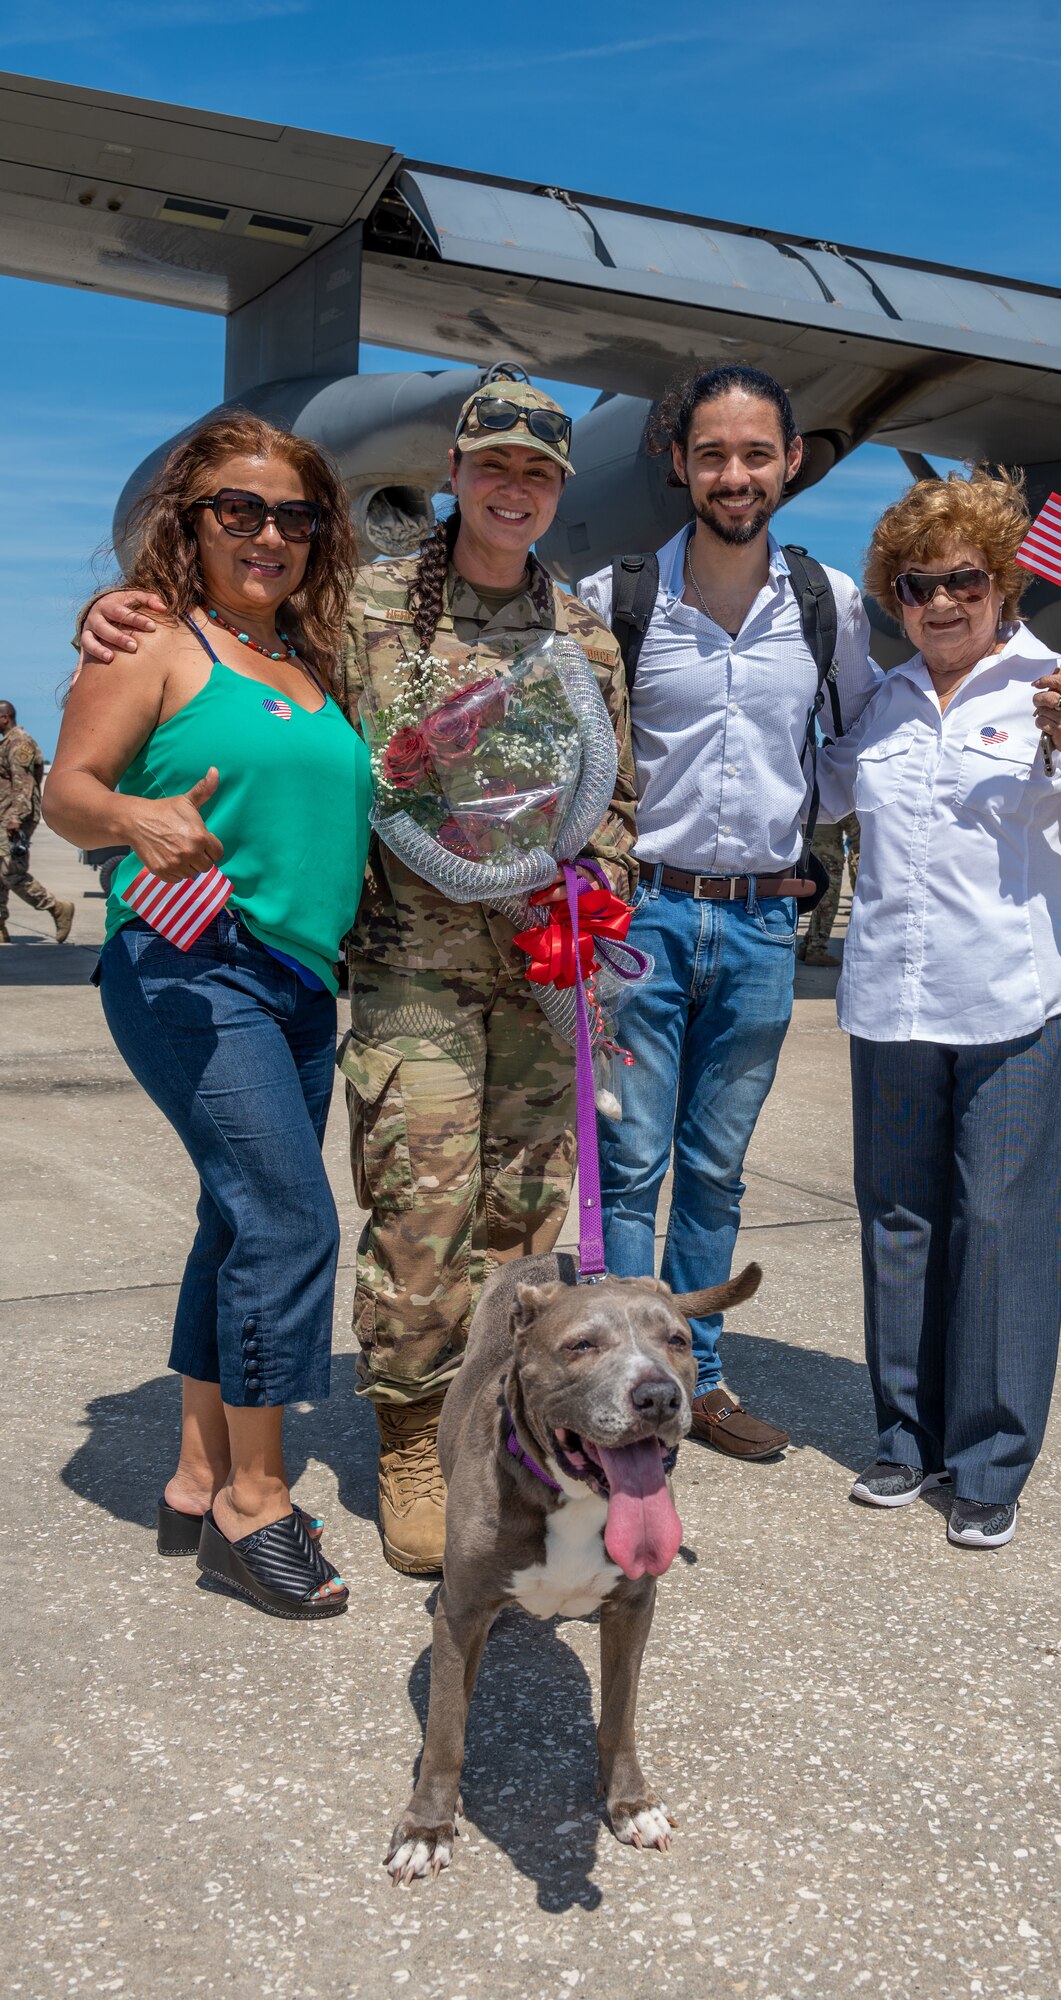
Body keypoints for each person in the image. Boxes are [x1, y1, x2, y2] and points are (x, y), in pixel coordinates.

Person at [76, 369, 636, 1580]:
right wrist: (118, 611)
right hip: (407, 973)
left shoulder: (582, 631)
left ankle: (503, 1425)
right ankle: (410, 1442)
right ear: (453, 474)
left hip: (540, 974)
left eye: (537, 472)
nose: (512, 488)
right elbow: (226, 633)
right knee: (419, 1218)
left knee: (524, 1219)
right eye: (491, 465)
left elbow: (611, 800)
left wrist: (594, 900)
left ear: (557, 491)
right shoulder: (361, 606)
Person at [46, 412, 369, 1618]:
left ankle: (192, 1475)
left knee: (236, 1222)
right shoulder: (154, 641)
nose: (267, 532)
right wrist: (134, 820)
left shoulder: (311, 656)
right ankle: (256, 1500)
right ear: (191, 521)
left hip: (295, 980)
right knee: (288, 1223)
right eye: (237, 508)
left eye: (294, 514)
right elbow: (75, 791)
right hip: (190, 965)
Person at [817, 467, 1061, 1549]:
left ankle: (987, 1458)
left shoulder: (1054, 686)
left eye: (962, 579)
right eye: (915, 584)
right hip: (890, 1004)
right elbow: (813, 795)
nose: (939, 601)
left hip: (1014, 1004)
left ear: (1002, 582)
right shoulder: (879, 699)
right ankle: (902, 1437)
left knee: (1002, 1229)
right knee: (899, 1222)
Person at [579, 364, 879, 1461]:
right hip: (641, 917)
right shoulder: (619, 599)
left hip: (758, 927)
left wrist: (804, 831)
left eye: (756, 453)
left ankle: (699, 1381)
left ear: (789, 462)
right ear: (678, 464)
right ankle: (618, 1381)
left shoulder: (825, 602)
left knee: (712, 1168)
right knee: (630, 1165)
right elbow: (579, 749)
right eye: (712, 454)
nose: (734, 474)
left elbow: (854, 741)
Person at [0, 702, 74, 944]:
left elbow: (24, 782)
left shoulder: (18, 742)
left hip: (14, 818)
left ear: (4, 718)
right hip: (6, 816)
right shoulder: (7, 742)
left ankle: (56, 907)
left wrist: (15, 819)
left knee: (11, 872)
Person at [798, 813, 859, 966]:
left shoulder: (811, 789)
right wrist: (861, 841)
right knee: (827, 904)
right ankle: (816, 949)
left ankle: (807, 945)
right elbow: (848, 820)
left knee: (819, 903)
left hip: (811, 851)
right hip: (828, 853)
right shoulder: (834, 791)